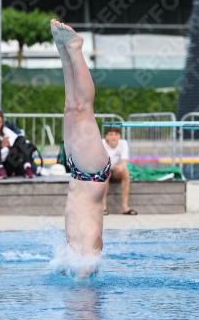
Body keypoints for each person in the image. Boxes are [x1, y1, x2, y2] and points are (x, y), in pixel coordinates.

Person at [51, 19, 111, 261]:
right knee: (82, 109)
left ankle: (63, 51)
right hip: (92, 173)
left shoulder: (72, 251)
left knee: (70, 108)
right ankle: (75, 48)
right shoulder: (90, 252)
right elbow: (91, 258)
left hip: (77, 171)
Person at [0, 109, 34, 179]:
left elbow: (20, 145)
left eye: (0, 122)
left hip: (7, 165)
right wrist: (0, 147)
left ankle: (27, 167)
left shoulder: (6, 131)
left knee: (21, 139)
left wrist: (9, 147)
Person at [102, 127, 137, 215]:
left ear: (119, 136)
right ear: (106, 136)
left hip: (116, 170)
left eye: (116, 134)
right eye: (111, 134)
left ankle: (124, 207)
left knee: (125, 172)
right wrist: (117, 167)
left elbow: (124, 161)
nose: (113, 137)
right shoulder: (101, 144)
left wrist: (121, 167)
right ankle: (103, 206)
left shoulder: (123, 143)